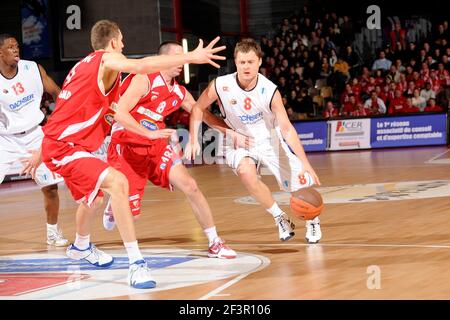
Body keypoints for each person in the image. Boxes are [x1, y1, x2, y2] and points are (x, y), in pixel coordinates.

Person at [39, 20, 226, 289]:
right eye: (122, 40)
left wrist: (40, 149)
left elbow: (67, 112)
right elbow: (140, 66)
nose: (125, 45)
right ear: (113, 42)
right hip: (66, 147)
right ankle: (136, 263)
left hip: (67, 145)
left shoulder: (84, 68)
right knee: (118, 183)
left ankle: (80, 246)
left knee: (94, 199)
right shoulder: (106, 60)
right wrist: (192, 56)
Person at [103, 41, 236, 259]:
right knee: (130, 216)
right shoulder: (143, 79)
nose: (182, 62)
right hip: (127, 146)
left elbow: (199, 111)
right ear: (164, 58)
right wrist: (146, 133)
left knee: (191, 186)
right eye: (178, 57)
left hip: (156, 145)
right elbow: (118, 113)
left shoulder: (178, 92)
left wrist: (228, 132)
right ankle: (114, 204)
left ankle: (214, 242)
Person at [186, 38, 323, 244]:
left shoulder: (270, 91)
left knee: (300, 184)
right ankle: (280, 217)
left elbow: (286, 128)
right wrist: (196, 136)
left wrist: (305, 162)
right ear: (236, 62)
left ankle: (312, 219)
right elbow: (198, 108)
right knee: (246, 172)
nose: (246, 66)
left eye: (250, 62)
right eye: (242, 62)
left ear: (259, 62)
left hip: (269, 139)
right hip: (237, 139)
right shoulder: (221, 85)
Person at [0, 34, 68, 247]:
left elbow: (58, 92)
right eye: (10, 47)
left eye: (17, 46)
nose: (16, 50)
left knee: (51, 188)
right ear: (0, 52)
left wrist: (58, 124)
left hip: (35, 136)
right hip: (6, 140)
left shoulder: (32, 69)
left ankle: (52, 233)